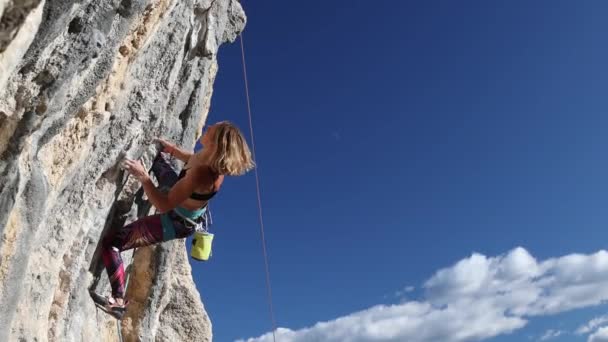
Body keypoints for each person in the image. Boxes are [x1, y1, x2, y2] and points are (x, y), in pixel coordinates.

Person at [99, 120, 255, 318]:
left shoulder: (203, 175)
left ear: (215, 143)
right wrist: (171, 150)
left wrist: (143, 177)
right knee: (157, 158)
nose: (206, 129)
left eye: (210, 130)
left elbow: (164, 205)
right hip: (180, 196)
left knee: (112, 244)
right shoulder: (209, 159)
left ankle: (119, 301)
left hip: (174, 222)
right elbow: (192, 158)